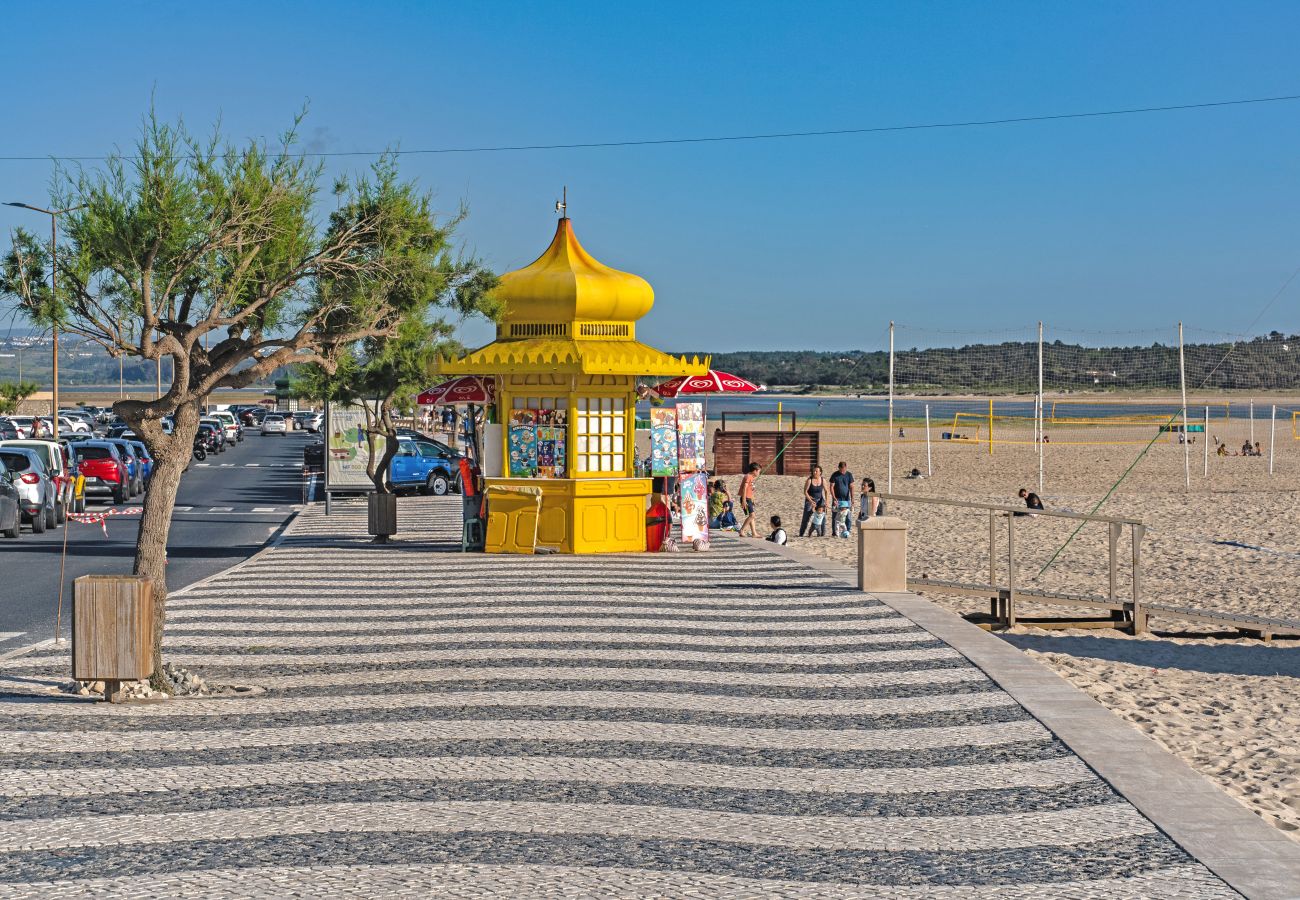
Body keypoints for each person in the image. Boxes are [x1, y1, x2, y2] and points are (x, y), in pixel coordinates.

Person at [800, 464, 829, 537]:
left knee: (822, 517)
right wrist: (810, 501)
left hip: (820, 500)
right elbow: (805, 492)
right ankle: (801, 533)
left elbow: (826, 491)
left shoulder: (823, 480)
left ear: (820, 472)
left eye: (816, 471)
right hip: (810, 500)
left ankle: (822, 534)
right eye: (814, 471)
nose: (814, 472)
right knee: (806, 518)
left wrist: (826, 501)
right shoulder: (809, 480)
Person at [829, 461, 855, 539]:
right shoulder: (835, 475)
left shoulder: (849, 475)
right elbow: (831, 487)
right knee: (835, 516)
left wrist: (852, 497)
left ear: (846, 467)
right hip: (837, 499)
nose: (843, 471)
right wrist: (834, 497)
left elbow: (851, 486)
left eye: (844, 469)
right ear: (839, 468)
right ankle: (834, 532)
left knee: (848, 515)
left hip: (847, 499)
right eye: (841, 469)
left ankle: (848, 530)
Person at [738, 463, 759, 537]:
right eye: (758, 471)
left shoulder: (751, 477)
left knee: (751, 515)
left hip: (749, 498)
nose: (759, 473)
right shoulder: (748, 477)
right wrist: (744, 500)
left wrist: (753, 498)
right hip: (745, 498)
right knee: (752, 516)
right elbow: (744, 488)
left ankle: (754, 533)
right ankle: (741, 530)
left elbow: (750, 490)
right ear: (755, 471)